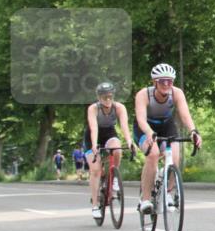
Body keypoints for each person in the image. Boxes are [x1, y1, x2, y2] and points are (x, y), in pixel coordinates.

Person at [133, 64, 202, 215]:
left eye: (169, 81)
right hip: (145, 127)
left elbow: (185, 115)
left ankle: (168, 193)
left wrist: (193, 131)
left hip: (166, 125)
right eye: (162, 81)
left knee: (174, 158)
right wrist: (150, 133)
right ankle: (145, 199)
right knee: (153, 155)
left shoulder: (177, 93)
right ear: (154, 82)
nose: (166, 84)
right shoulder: (143, 95)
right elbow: (141, 119)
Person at [84, 82, 134, 220]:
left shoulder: (119, 107)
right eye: (104, 97)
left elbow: (124, 126)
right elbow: (94, 128)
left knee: (117, 149)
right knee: (95, 170)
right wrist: (94, 146)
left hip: (109, 134)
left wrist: (129, 141)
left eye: (110, 97)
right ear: (98, 97)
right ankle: (95, 205)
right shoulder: (93, 108)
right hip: (92, 137)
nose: (107, 100)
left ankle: (114, 176)